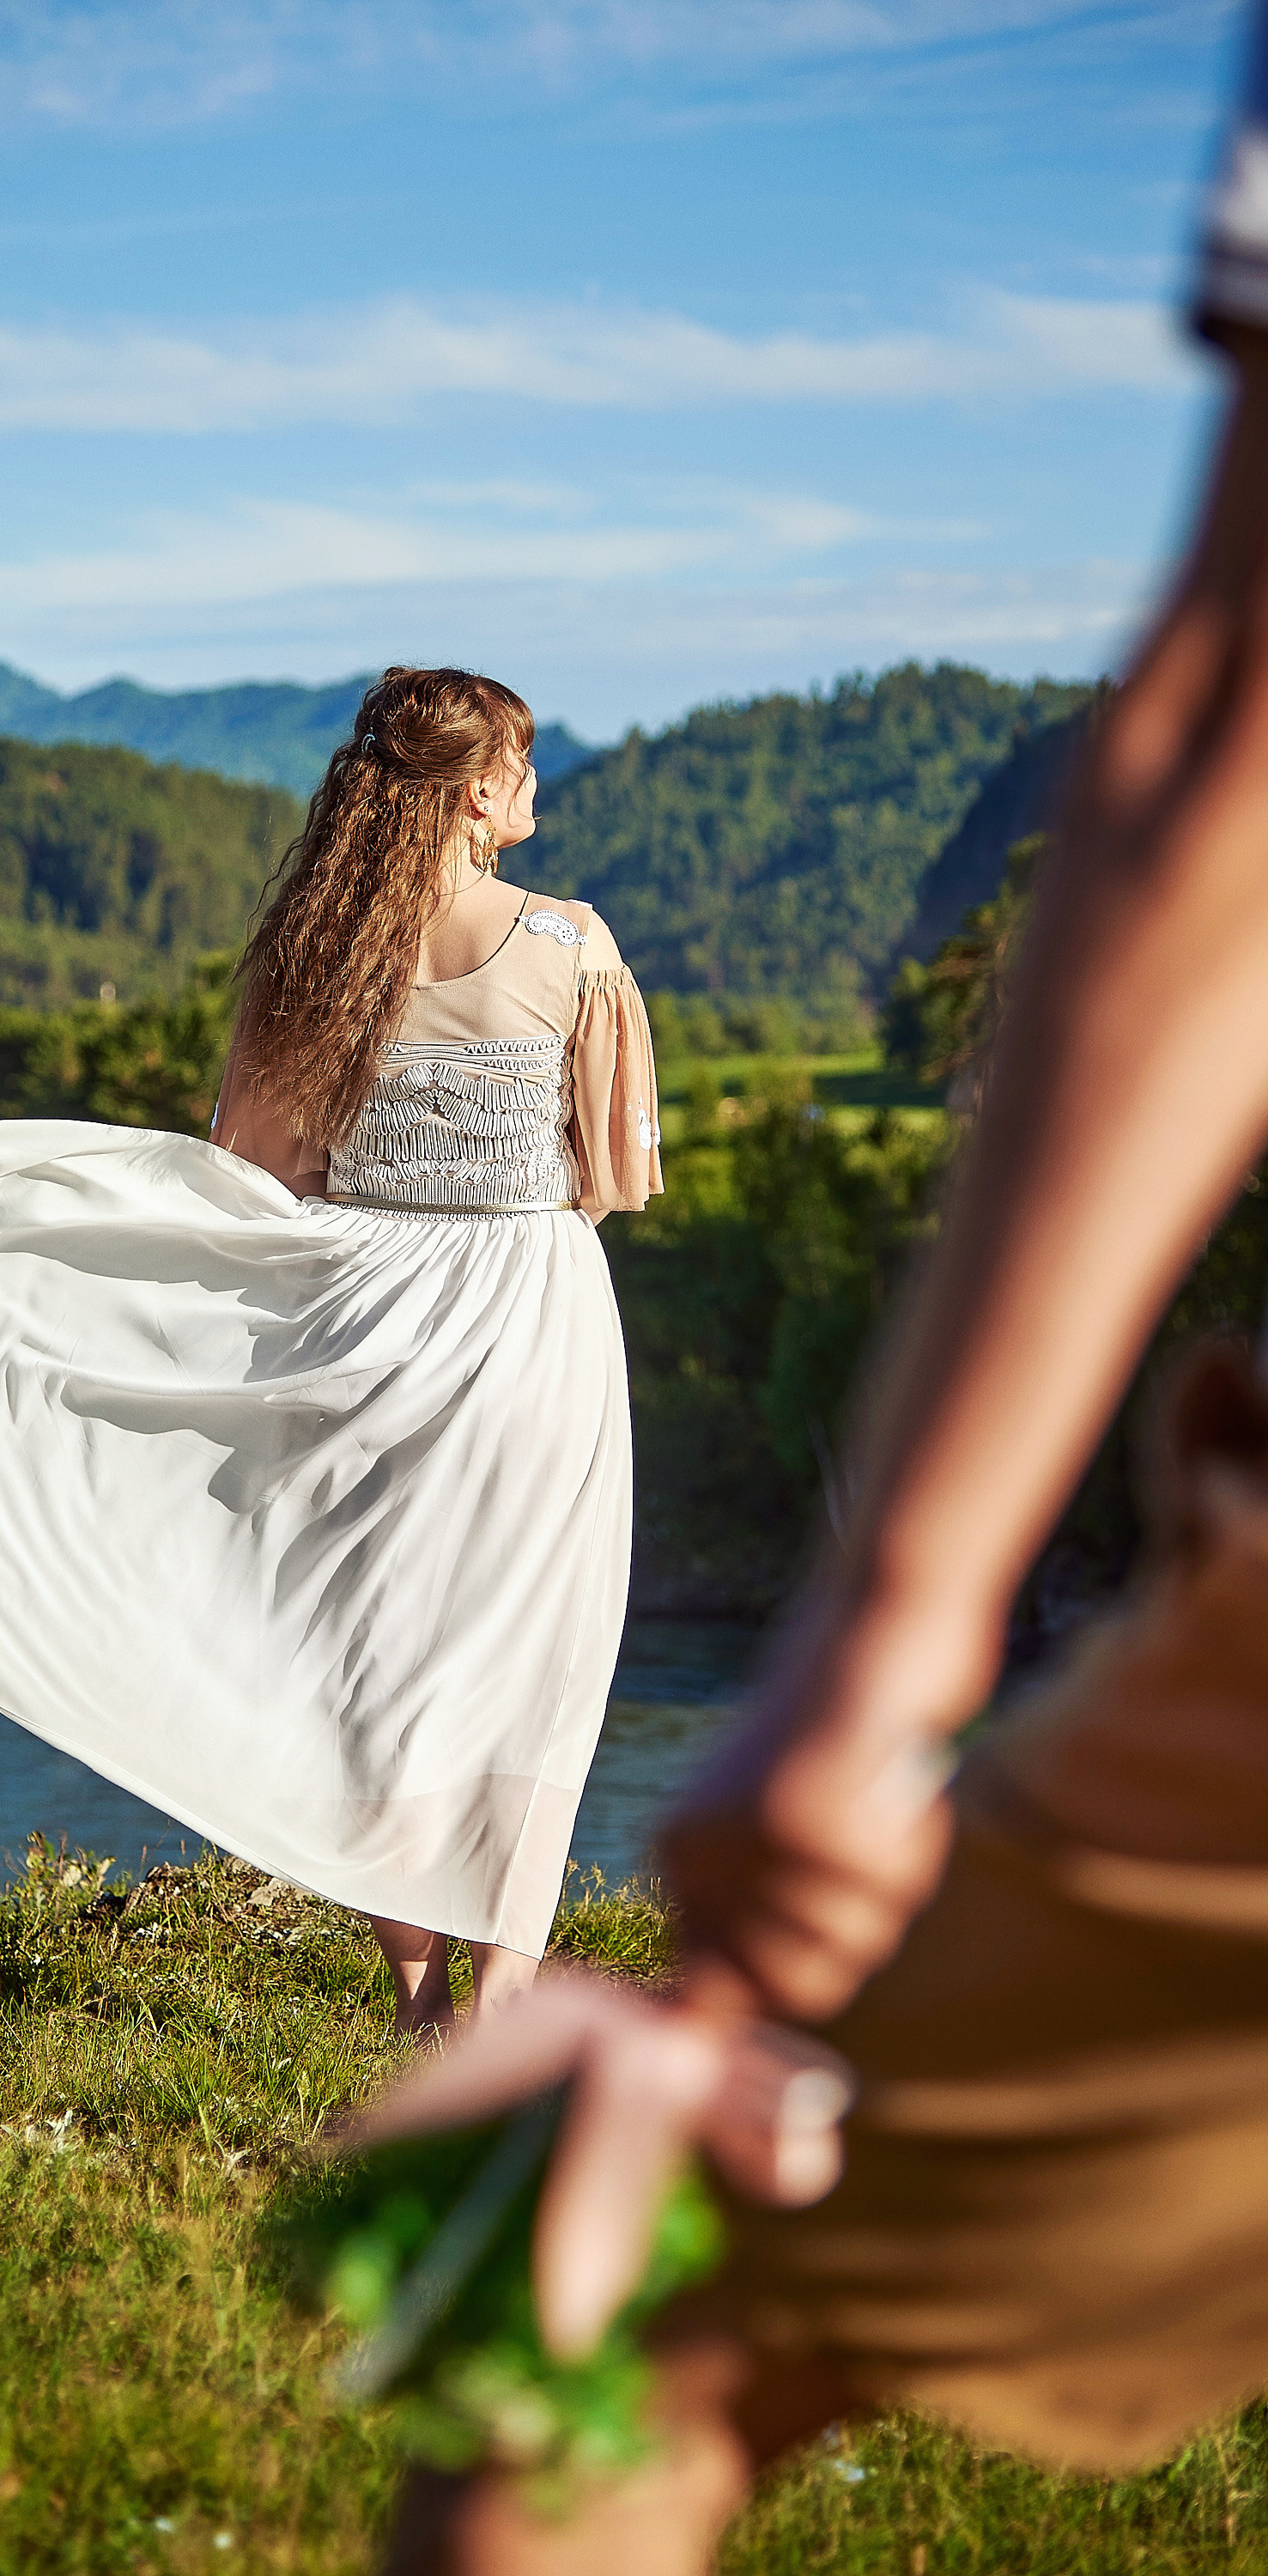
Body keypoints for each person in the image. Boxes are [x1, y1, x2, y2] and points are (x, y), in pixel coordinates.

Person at [361, 13, 1268, 2567]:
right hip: (529, 1327)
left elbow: (1227, 754)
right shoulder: (576, 952)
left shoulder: (388, 948)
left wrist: (891, 1634)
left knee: (638, 2336)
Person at [0, 665, 663, 2026]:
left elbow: (255, 1165)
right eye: (527, 766)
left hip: (368, 1315)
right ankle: (505, 2003)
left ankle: (419, 2000)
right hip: (527, 1319)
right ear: (483, 788)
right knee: (527, 1648)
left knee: (387, 1655)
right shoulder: (572, 947)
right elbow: (612, 1172)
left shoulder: (315, 952)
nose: (534, 791)